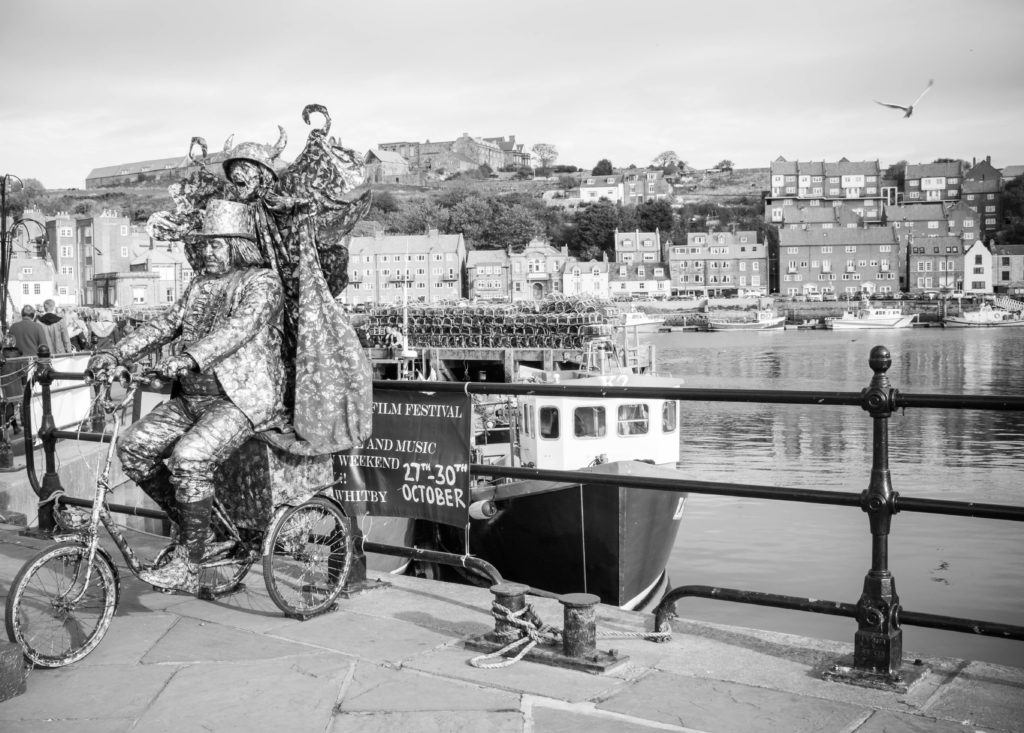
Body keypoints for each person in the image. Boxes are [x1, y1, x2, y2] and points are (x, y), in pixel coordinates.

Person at [88, 199, 285, 593]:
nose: (206, 252)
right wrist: (116, 351)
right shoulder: (199, 284)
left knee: (189, 457)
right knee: (134, 447)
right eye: (203, 245)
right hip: (192, 398)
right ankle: (202, 528)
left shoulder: (261, 282)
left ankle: (189, 563)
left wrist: (189, 357)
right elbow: (168, 322)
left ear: (237, 245)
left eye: (215, 245)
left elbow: (238, 330)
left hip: (239, 399)